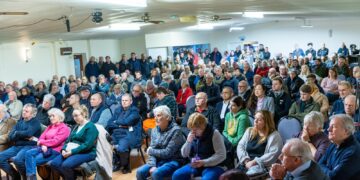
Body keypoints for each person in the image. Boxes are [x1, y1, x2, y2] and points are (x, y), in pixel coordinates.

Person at [49, 105, 99, 180]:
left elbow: (87, 145)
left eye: (76, 115)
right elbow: (68, 141)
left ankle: (71, 177)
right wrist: (63, 149)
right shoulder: (76, 126)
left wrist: (71, 152)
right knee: (54, 164)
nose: (74, 118)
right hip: (71, 150)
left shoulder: (91, 127)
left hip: (87, 152)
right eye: (73, 116)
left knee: (66, 165)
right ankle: (71, 177)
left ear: (84, 114)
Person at [136, 106, 186, 180]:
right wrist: (153, 165)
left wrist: (150, 150)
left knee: (156, 173)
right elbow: (152, 150)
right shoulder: (154, 130)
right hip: (158, 160)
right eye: (155, 116)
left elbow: (167, 153)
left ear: (167, 117)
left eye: (159, 115)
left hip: (173, 160)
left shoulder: (176, 131)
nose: (155, 118)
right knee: (140, 171)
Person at [172, 113, 226, 180]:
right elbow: (184, 154)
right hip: (195, 165)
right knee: (177, 175)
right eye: (191, 129)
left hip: (214, 166)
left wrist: (204, 162)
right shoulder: (192, 133)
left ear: (203, 126)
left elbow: (222, 155)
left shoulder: (215, 134)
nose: (192, 131)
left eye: (195, 129)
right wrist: (188, 142)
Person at [24, 108, 70, 180]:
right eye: (50, 116)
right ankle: (32, 178)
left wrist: (43, 143)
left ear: (59, 116)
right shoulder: (50, 126)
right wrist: (43, 145)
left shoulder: (64, 128)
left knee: (32, 161)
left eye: (53, 116)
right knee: (28, 153)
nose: (51, 118)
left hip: (55, 150)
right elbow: (41, 138)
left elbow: (56, 141)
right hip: (44, 148)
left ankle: (31, 178)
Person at [0, 104, 41, 179]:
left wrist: (17, 133)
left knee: (18, 160)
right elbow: (10, 137)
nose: (24, 112)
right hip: (17, 146)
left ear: (32, 114)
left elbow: (29, 133)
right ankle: (16, 176)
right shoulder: (20, 122)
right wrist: (20, 135)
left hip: (29, 146)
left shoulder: (35, 122)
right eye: (23, 110)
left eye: (26, 111)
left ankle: (25, 177)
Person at [107, 94, 141, 174]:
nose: (124, 102)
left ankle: (124, 165)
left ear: (131, 101)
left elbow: (127, 122)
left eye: (126, 100)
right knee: (106, 144)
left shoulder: (135, 111)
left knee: (121, 148)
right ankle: (117, 161)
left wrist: (116, 122)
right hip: (117, 133)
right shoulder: (118, 110)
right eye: (122, 100)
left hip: (128, 134)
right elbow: (109, 123)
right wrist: (120, 125)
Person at [318, 114, 360, 179]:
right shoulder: (334, 143)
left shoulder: (353, 152)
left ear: (346, 131)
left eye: (333, 126)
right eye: (329, 126)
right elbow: (319, 164)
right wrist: (328, 170)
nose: (328, 129)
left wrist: (325, 168)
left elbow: (332, 177)